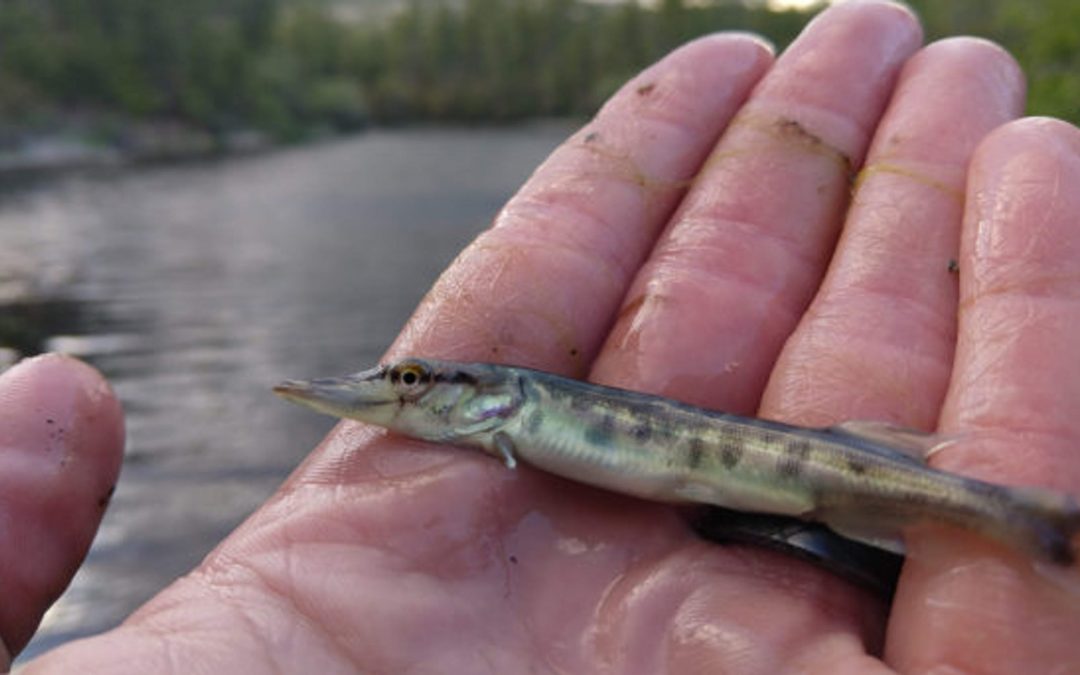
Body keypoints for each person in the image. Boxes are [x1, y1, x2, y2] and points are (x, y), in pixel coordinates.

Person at [5, 1, 1080, 672]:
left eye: (421, 384)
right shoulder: (501, 426)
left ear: (486, 400)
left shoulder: (519, 412)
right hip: (790, 487)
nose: (403, 394)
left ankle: (1028, 526)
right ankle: (1019, 524)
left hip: (811, 476)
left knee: (838, 474)